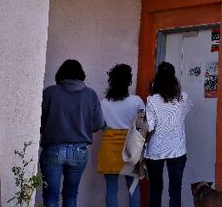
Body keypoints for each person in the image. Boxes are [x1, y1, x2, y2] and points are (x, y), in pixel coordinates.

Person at [40, 59, 104, 207]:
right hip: (79, 150)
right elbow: (98, 124)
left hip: (53, 148)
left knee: (50, 197)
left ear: (60, 74)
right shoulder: (90, 94)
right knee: (71, 195)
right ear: (81, 74)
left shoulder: (50, 92)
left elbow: (38, 122)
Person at [144, 62, 193, 207]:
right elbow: (189, 107)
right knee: (175, 189)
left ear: (157, 79)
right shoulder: (183, 97)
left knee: (155, 190)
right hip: (177, 149)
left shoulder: (152, 100)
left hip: (155, 149)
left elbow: (150, 126)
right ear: (174, 78)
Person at [98, 64, 144, 207]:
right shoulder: (136, 101)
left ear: (111, 81)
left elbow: (100, 124)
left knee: (111, 188)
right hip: (131, 148)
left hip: (109, 148)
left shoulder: (103, 103)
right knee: (133, 187)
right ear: (128, 81)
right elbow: (143, 123)